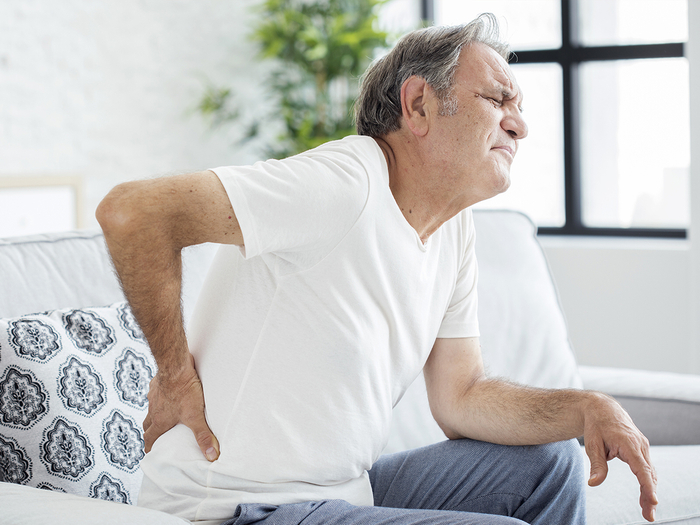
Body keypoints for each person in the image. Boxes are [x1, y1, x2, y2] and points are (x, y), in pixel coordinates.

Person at [96, 14, 658, 525]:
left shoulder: (452, 229)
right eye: (497, 99)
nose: (520, 127)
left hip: (345, 495)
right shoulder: (344, 183)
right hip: (237, 507)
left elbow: (460, 397)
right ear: (418, 106)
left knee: (552, 463)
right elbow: (133, 214)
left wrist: (588, 407)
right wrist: (173, 375)